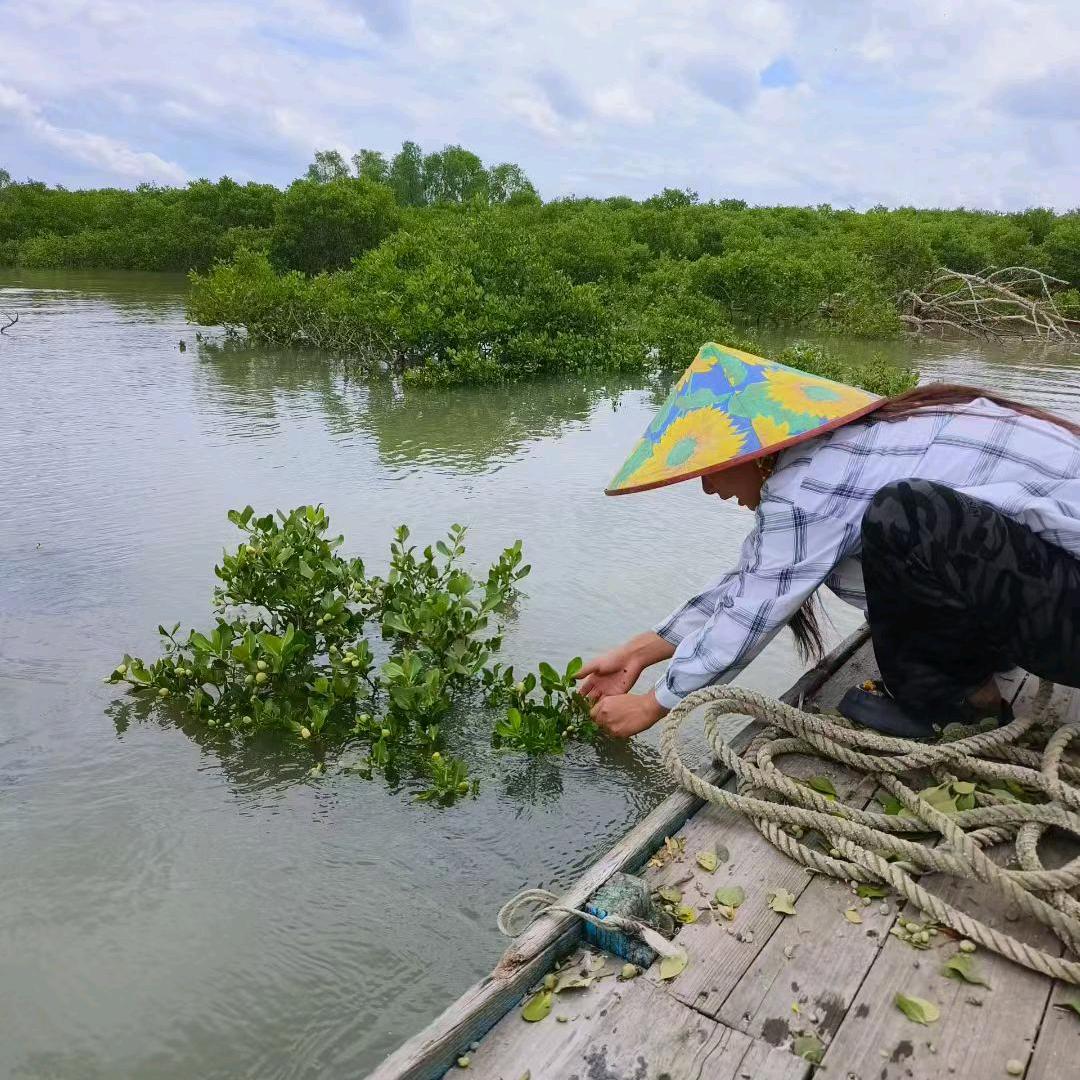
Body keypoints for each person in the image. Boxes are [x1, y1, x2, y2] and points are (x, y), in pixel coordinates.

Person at [579, 343, 1080, 740]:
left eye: (709, 471)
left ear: (753, 455)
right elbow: (756, 576)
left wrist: (654, 704)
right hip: (1059, 595)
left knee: (904, 513)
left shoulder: (812, 485)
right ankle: (977, 667)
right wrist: (641, 651)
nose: (708, 488)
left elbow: (756, 609)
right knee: (881, 537)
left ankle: (957, 707)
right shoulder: (857, 446)